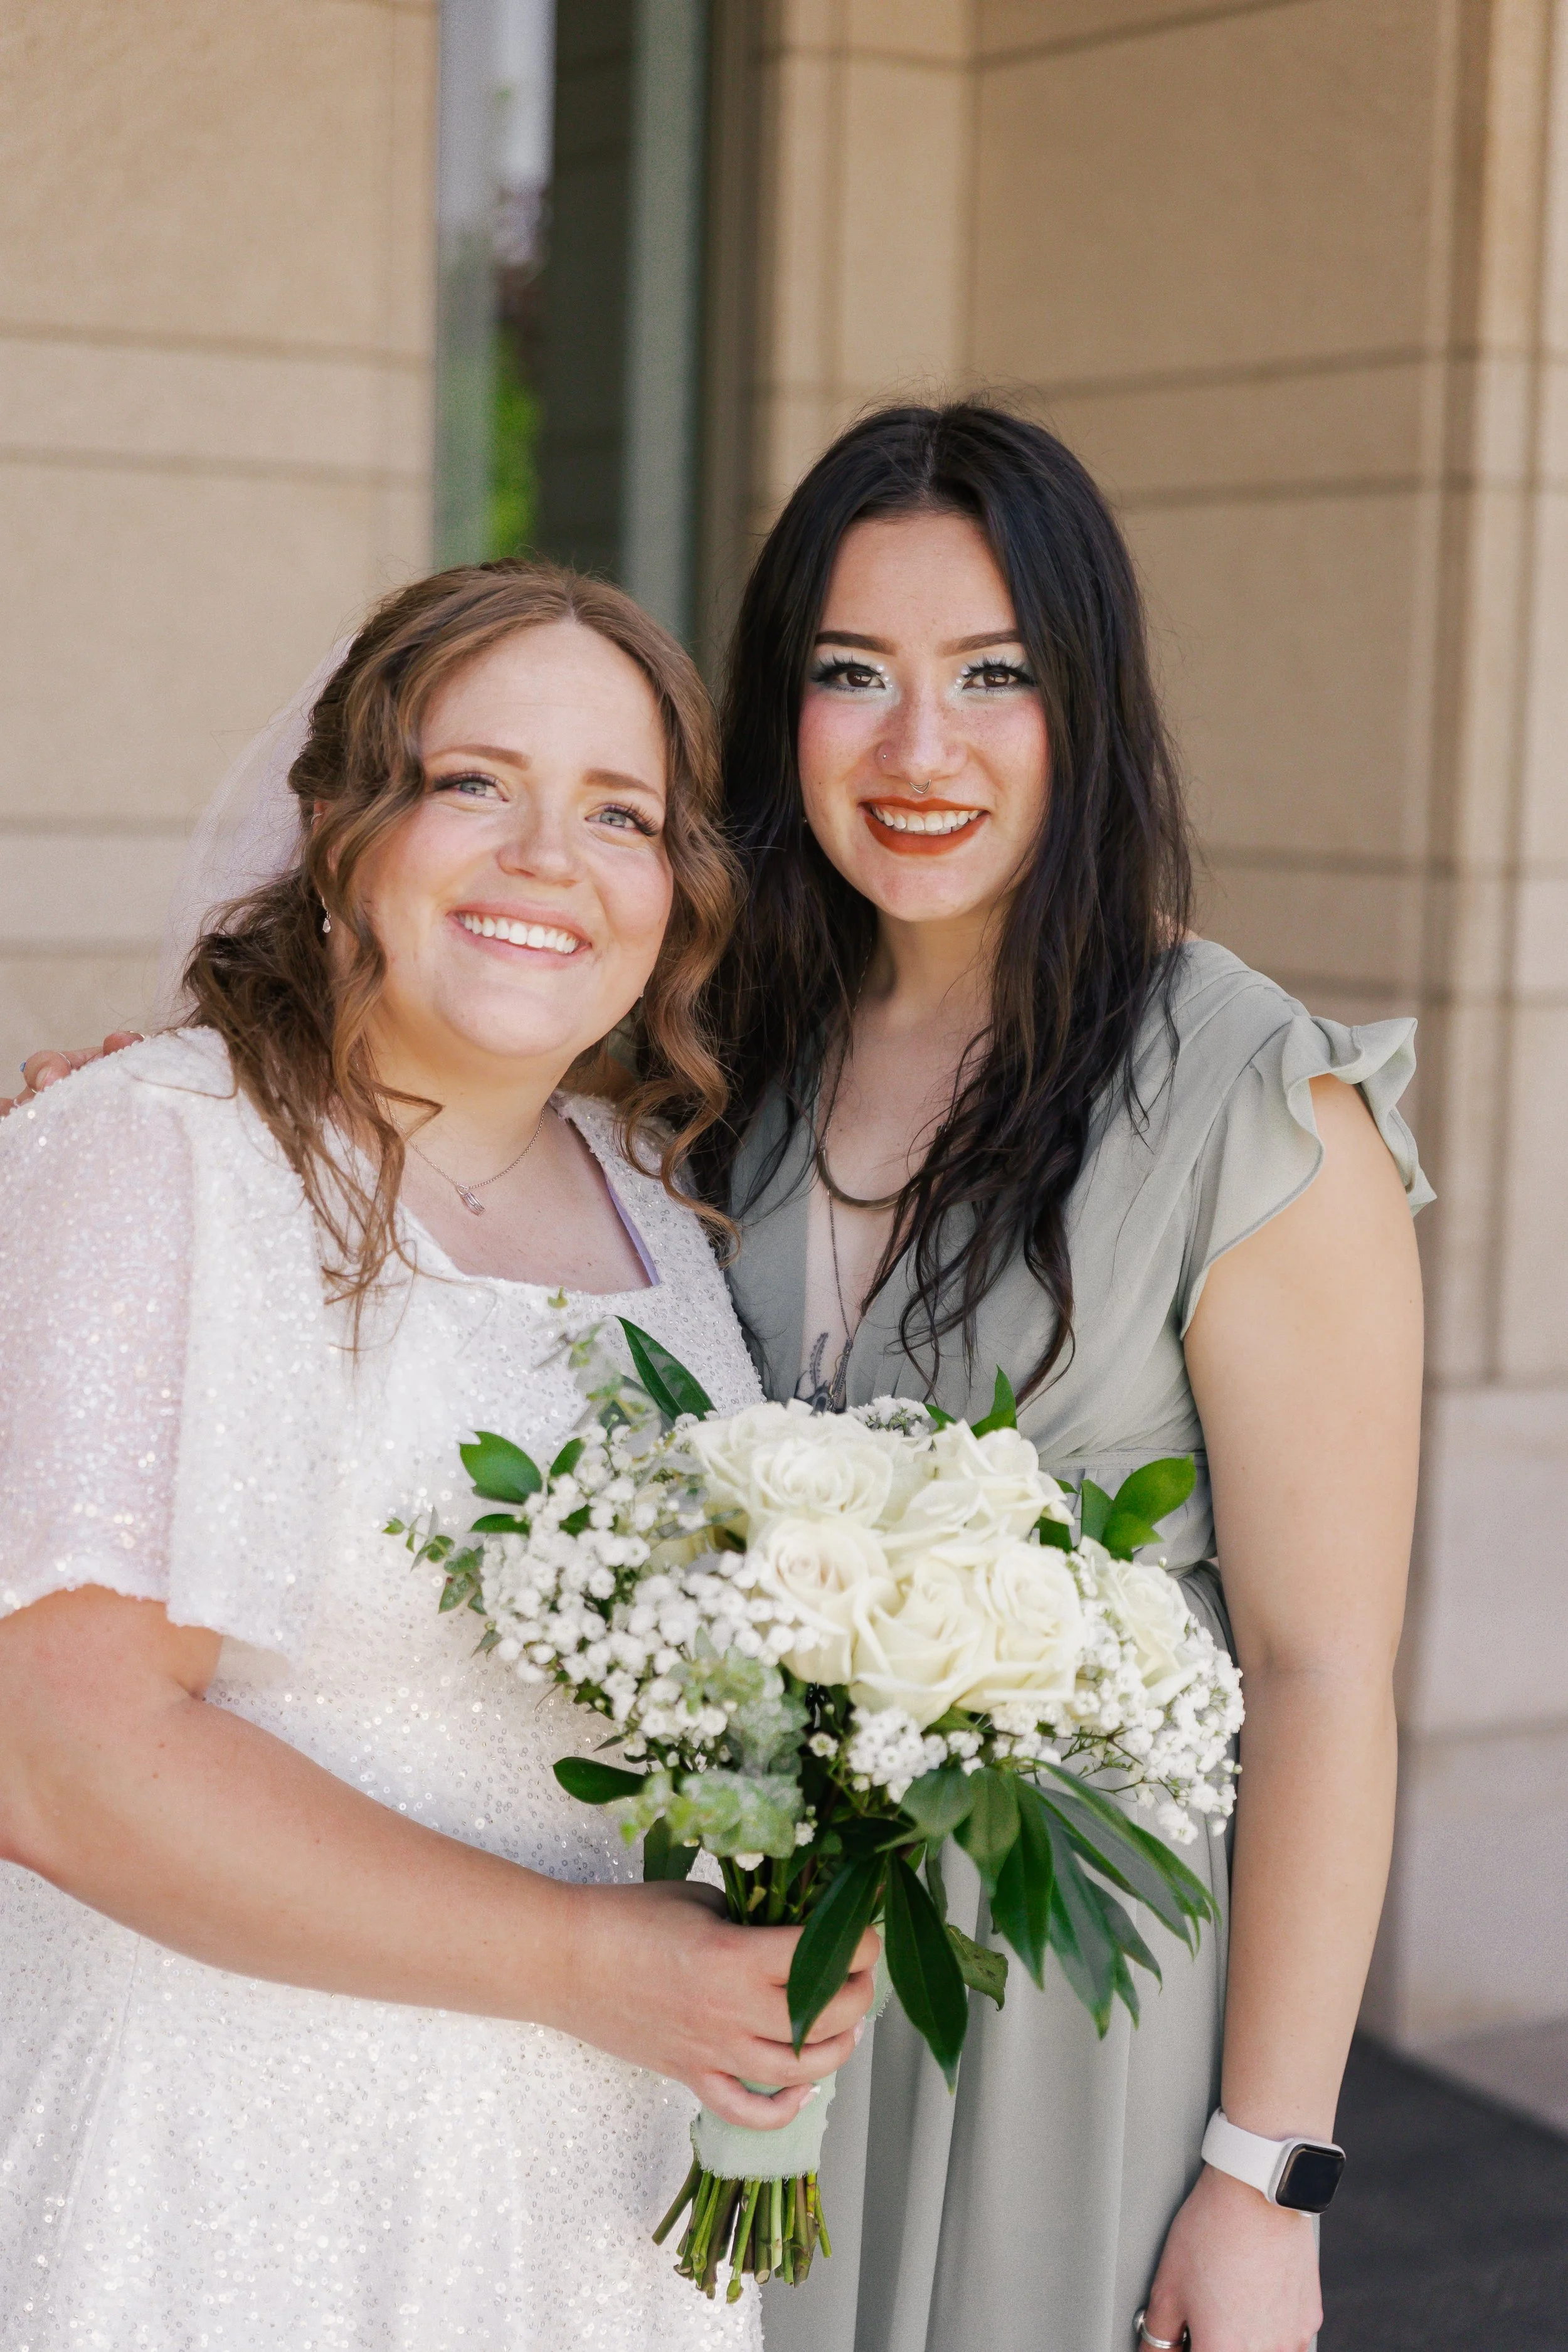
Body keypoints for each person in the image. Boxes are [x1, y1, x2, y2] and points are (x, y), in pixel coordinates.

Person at [0, 561, 877, 2352]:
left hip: (579, 2204)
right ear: (334, 823)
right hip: (224, 2181)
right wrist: (589, 1964)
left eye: (616, 810)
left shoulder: (656, 1208)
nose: (548, 855)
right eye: (473, 780)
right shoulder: (159, 1152)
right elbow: (60, 1758)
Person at [687, 403, 1429, 2352]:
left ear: (1085, 707)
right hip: (713, 1985)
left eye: (992, 677)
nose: (915, 750)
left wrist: (1267, 2178)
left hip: (1056, 2011)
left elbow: (1323, 1672)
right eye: (853, 676)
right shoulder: (712, 1047)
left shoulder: (1245, 1093)